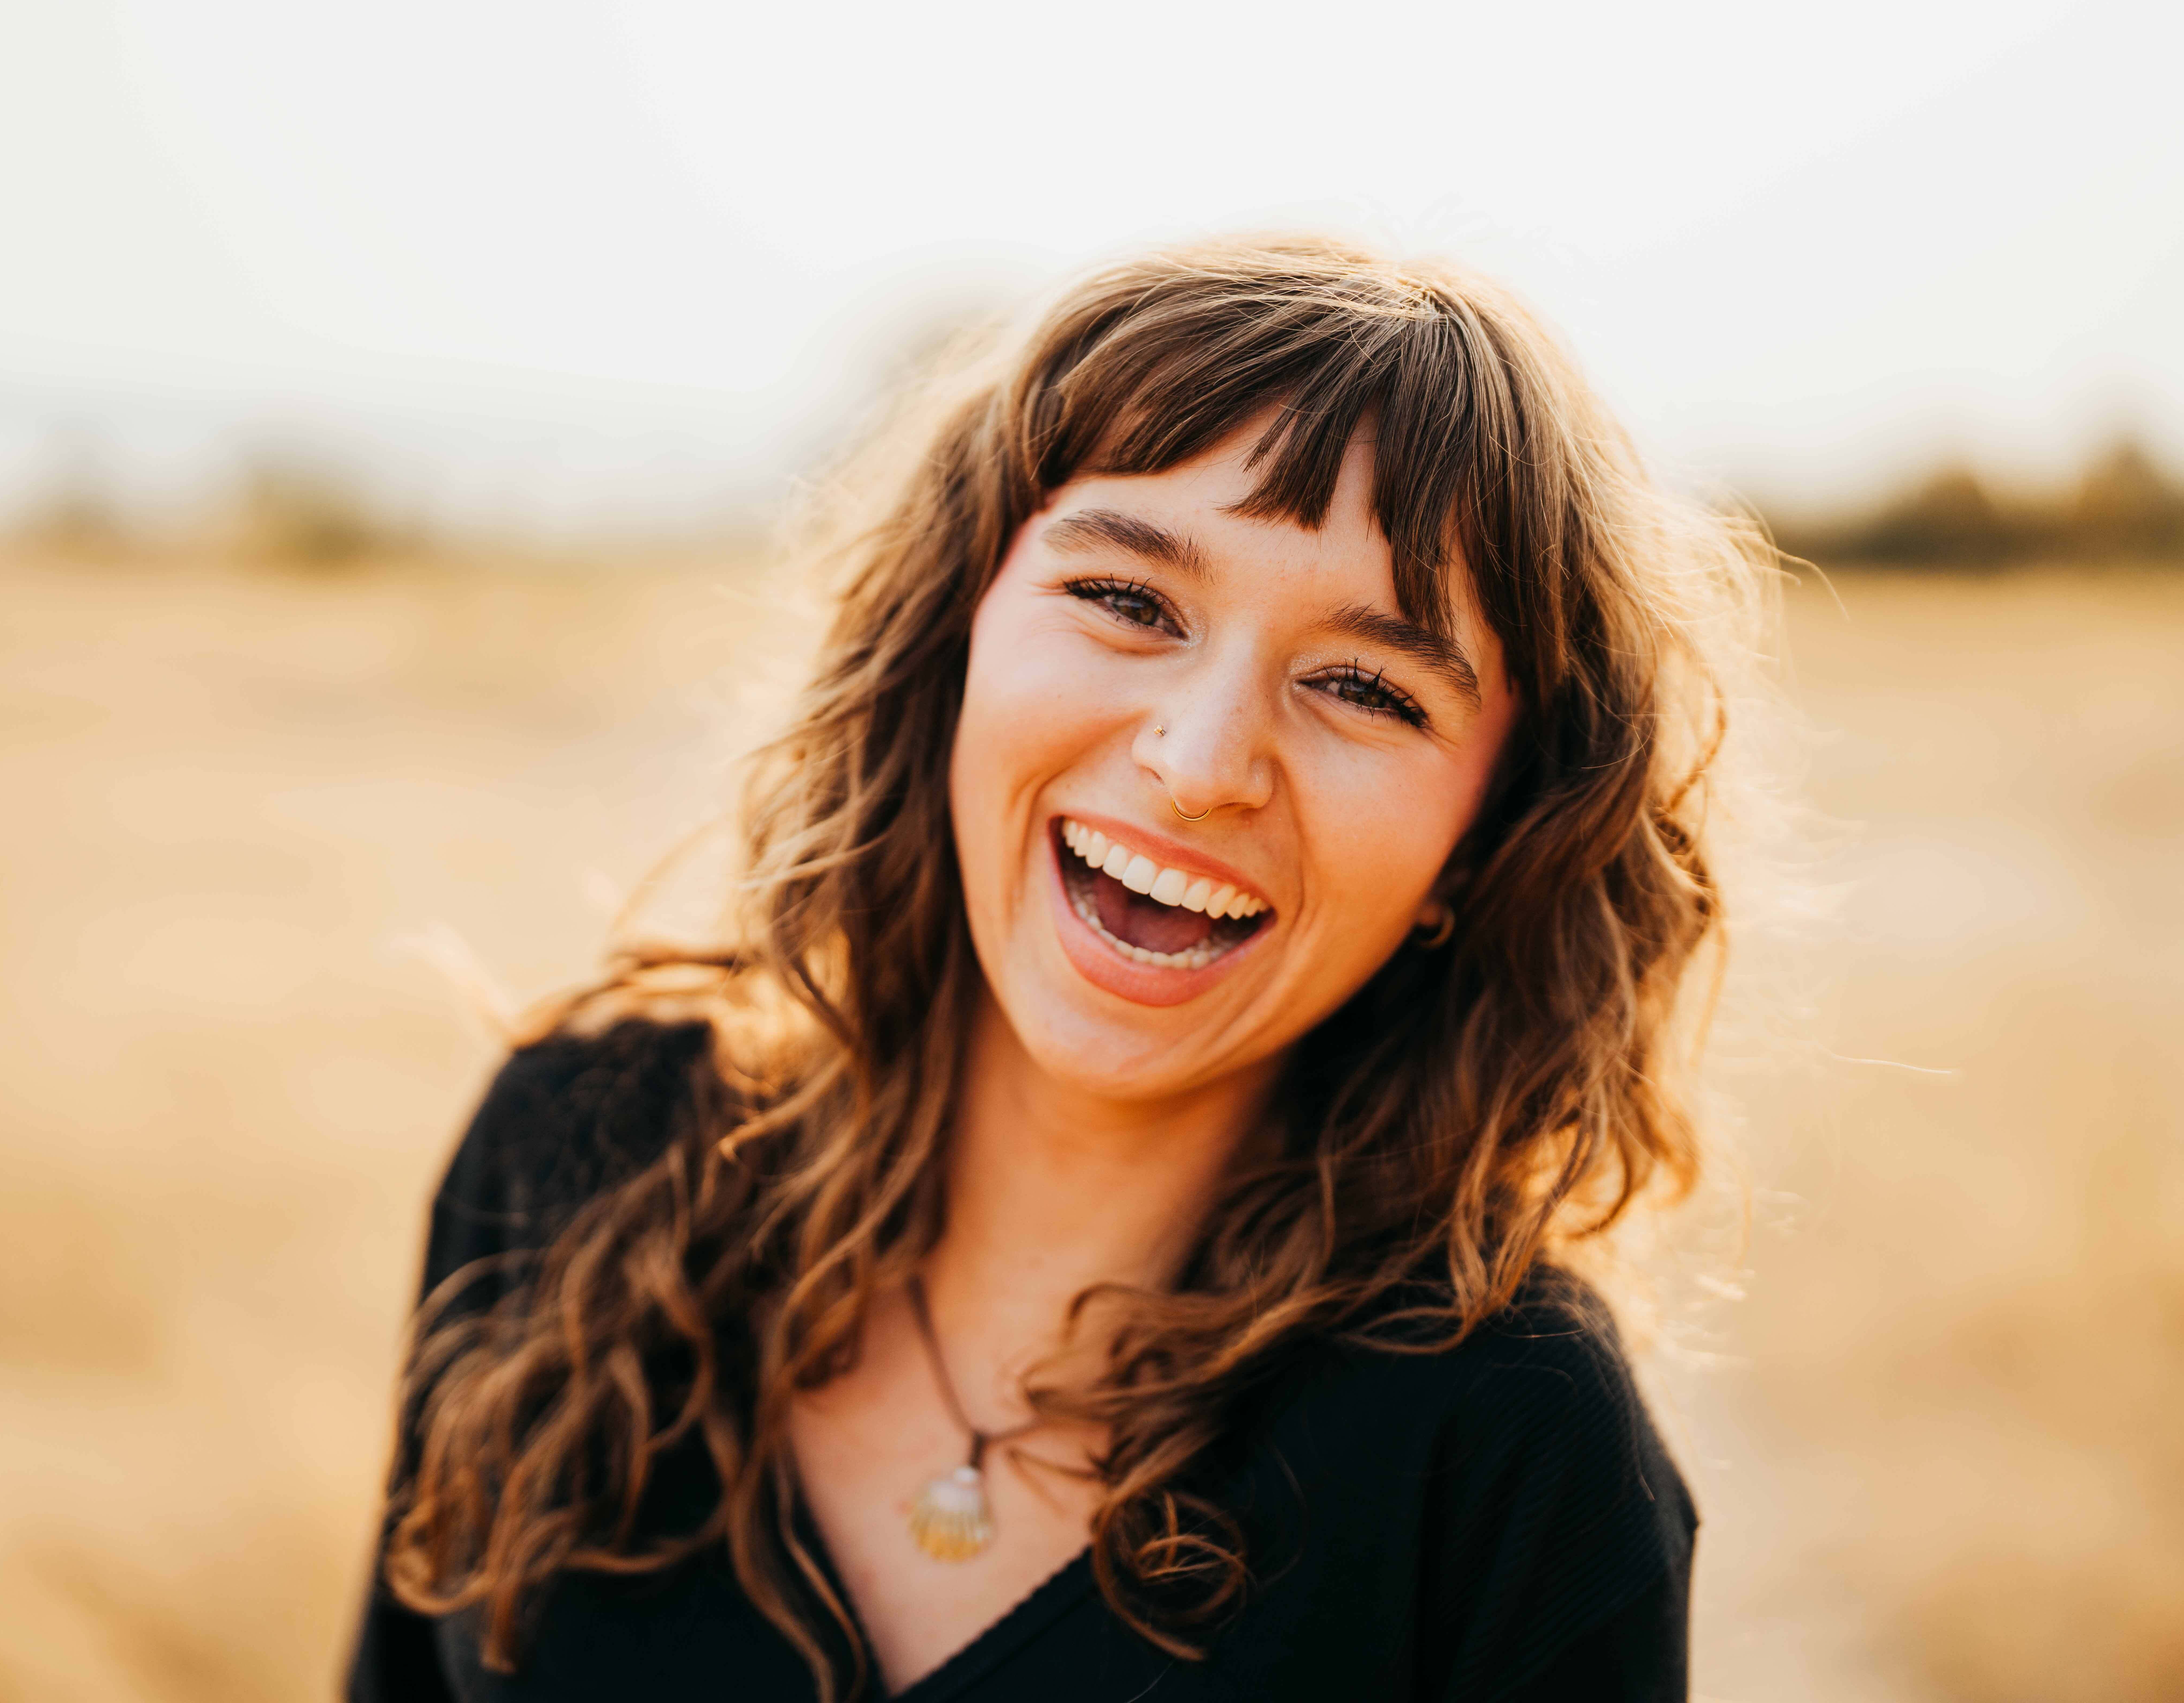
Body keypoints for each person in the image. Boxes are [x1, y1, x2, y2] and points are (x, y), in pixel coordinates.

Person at [348, 234, 1771, 1702]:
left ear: (1488, 843)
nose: (1201, 762)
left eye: (1364, 686)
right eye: (1131, 602)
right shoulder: (575, 1155)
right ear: (957, 625)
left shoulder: (1515, 1453)